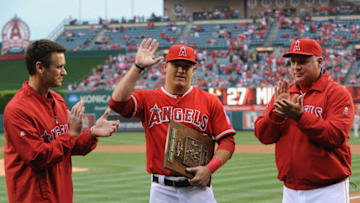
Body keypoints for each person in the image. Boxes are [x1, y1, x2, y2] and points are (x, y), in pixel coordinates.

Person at [109, 38, 236, 203]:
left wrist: (209, 169)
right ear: (164, 66)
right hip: (161, 190)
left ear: (193, 70)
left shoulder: (209, 101)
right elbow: (116, 103)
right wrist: (137, 67)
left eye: (186, 66)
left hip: (197, 190)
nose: (181, 70)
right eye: (176, 65)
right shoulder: (147, 98)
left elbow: (228, 141)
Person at [3, 39, 120, 203]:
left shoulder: (57, 101)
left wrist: (92, 133)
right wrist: (71, 134)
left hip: (62, 195)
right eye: (59, 67)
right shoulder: (17, 109)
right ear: (40, 67)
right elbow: (38, 158)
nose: (64, 72)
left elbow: (67, 147)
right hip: (33, 198)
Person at [254, 38, 354, 203]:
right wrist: (276, 114)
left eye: (303, 61)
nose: (296, 67)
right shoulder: (285, 93)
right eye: (292, 62)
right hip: (290, 189)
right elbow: (263, 136)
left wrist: (300, 116)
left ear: (319, 61)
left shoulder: (337, 93)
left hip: (328, 189)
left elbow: (336, 135)